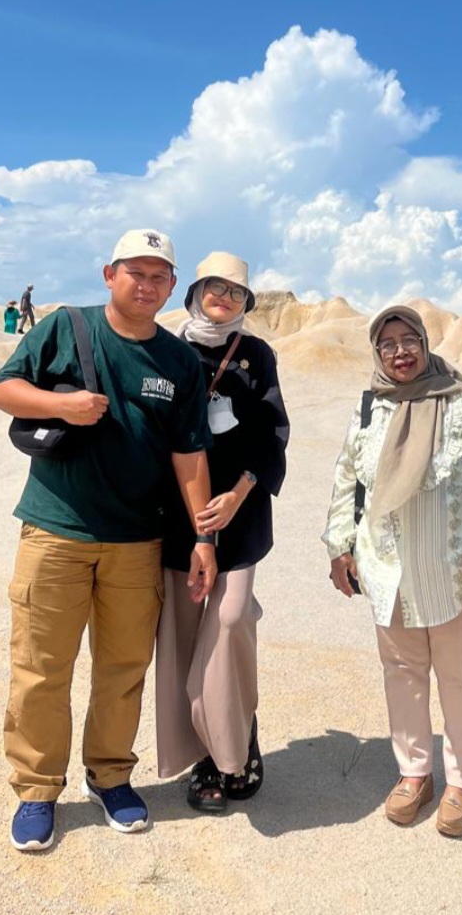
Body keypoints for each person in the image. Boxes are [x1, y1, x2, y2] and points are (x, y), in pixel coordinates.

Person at [0, 229, 216, 853]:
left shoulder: (177, 361)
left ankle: (110, 777)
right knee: (40, 667)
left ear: (173, 286)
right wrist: (60, 407)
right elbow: (2, 390)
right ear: (109, 274)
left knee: (123, 667)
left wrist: (204, 537)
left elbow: (190, 454)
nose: (147, 285)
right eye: (136, 272)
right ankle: (37, 789)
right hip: (55, 529)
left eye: (159, 276)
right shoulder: (67, 327)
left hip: (137, 540)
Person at [323, 305, 462, 838]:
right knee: (402, 674)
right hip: (387, 566)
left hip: (450, 569)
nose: (400, 352)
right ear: (377, 352)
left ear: (425, 344)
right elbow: (347, 479)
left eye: (409, 341)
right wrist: (340, 546)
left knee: (460, 678)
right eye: (388, 343)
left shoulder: (461, 404)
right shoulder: (368, 408)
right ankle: (414, 773)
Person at [155, 252, 288, 812]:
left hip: (238, 516)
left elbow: (272, 432)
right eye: (216, 287)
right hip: (178, 519)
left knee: (230, 624)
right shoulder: (166, 349)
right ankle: (207, 760)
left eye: (237, 292)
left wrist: (238, 493)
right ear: (195, 291)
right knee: (185, 640)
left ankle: (237, 739)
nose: (225, 299)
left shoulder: (257, 354)